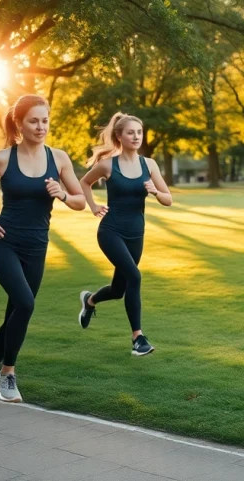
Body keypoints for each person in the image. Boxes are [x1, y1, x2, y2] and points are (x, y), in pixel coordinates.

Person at [0, 94, 86, 403]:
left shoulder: (59, 158)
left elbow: (80, 201)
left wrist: (62, 194)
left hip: (36, 247)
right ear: (19, 123)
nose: (40, 127)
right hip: (3, 243)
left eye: (45, 120)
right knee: (26, 304)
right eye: (33, 121)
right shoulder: (3, 158)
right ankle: (8, 373)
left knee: (17, 310)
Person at [77, 113, 172, 356]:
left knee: (119, 289)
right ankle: (138, 338)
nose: (136, 136)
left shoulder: (149, 165)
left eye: (139, 132)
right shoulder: (108, 165)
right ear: (119, 136)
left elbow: (168, 199)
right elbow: (84, 182)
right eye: (131, 132)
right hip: (111, 232)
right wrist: (93, 206)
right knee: (134, 276)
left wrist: (155, 191)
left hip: (136, 234)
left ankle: (90, 300)